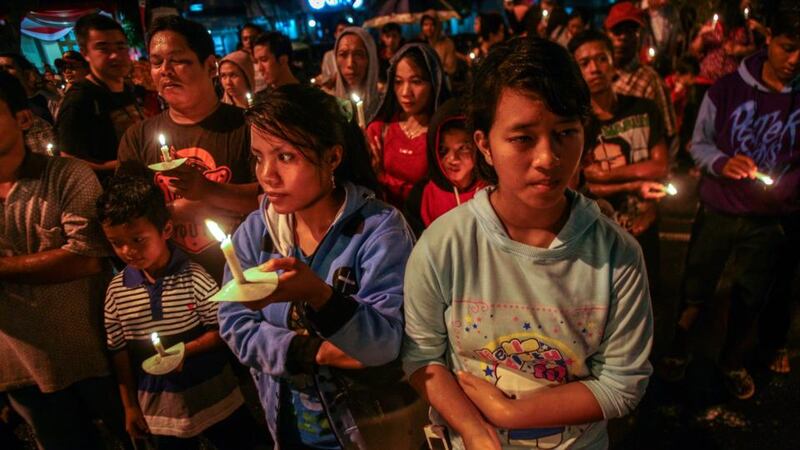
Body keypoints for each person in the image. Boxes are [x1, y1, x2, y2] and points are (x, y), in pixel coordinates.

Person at [403, 37, 653, 450]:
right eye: (522, 138)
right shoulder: (444, 245)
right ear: (484, 144)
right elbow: (422, 357)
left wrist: (509, 414)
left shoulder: (618, 256)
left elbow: (622, 383)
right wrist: (474, 429)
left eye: (564, 133)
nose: (547, 158)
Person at [218, 84, 424, 449]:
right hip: (288, 423)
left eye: (285, 157)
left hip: (367, 428)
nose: (267, 175)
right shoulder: (256, 232)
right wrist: (308, 351)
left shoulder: (377, 230)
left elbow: (384, 344)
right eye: (258, 156)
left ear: (332, 157)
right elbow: (233, 323)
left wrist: (320, 296)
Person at [660, 10, 800, 400]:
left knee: (752, 294)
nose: (795, 60)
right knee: (697, 285)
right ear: (769, 37)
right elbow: (700, 144)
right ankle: (679, 348)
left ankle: (731, 360)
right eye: (788, 48)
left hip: (772, 218)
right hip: (720, 207)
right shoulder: (725, 91)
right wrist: (722, 161)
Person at [0, 71, 130, 450]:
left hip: (92, 354)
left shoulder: (65, 175)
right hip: (19, 367)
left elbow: (86, 257)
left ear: (23, 118)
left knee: (134, 436)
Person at [98, 173, 262, 449]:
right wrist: (129, 406)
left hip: (214, 396)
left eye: (138, 239)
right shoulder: (116, 291)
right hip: (161, 409)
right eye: (117, 243)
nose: (127, 251)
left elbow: (221, 329)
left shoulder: (193, 276)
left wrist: (186, 351)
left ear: (166, 230)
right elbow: (119, 352)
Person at [117, 15, 259, 281]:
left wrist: (208, 190)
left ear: (210, 66)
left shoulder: (247, 127)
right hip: (173, 286)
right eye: (157, 62)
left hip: (245, 274)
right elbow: (126, 212)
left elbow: (270, 198)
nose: (165, 70)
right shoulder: (137, 138)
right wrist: (176, 210)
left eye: (179, 60)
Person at [570, 29, 669, 297]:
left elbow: (660, 167)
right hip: (599, 231)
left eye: (601, 58)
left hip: (644, 223)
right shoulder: (577, 124)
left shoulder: (644, 109)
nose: (594, 69)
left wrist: (605, 175)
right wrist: (637, 182)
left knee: (648, 298)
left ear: (613, 61)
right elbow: (585, 181)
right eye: (584, 63)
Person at [56, 13, 143, 178]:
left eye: (120, 46)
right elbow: (69, 161)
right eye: (103, 48)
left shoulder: (125, 88)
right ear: (85, 53)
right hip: (112, 195)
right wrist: (123, 164)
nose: (115, 55)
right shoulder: (79, 99)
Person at [366, 43, 451, 208]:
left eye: (416, 81)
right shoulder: (379, 131)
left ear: (434, 83)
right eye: (398, 82)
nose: (405, 92)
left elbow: (440, 195)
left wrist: (381, 176)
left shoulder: (443, 136)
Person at [404, 98, 486, 235]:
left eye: (463, 148)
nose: (452, 159)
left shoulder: (494, 191)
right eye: (443, 149)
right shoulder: (421, 197)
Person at [605, 2, 677, 152]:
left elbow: (668, 135)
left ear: (640, 36)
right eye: (617, 31)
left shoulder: (650, 81)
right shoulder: (594, 76)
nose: (623, 37)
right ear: (607, 34)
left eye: (630, 31)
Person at [689, 0, 757, 83]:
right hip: (708, 78)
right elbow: (694, 50)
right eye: (744, 3)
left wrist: (741, 50)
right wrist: (701, 35)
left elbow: (754, 49)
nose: (747, 6)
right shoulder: (713, 25)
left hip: (731, 79)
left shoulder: (745, 26)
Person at [330, 26, 380, 120]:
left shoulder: (386, 107)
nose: (350, 64)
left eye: (358, 55)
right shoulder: (330, 109)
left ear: (370, 58)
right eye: (343, 54)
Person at [0, 52, 55, 124]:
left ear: (25, 73)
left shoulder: (47, 99)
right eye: (0, 68)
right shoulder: (4, 106)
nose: (3, 71)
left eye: (9, 67)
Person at [420, 13, 457, 77]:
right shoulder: (421, 43)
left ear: (437, 25)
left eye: (432, 24)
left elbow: (451, 69)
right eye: (425, 24)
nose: (429, 28)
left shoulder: (447, 43)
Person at [317, 19, 350, 89]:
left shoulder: (355, 54)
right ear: (335, 34)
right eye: (341, 30)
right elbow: (326, 84)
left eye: (347, 31)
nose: (344, 33)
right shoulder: (328, 56)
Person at [238, 23, 266, 92]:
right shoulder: (239, 62)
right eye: (245, 39)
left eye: (253, 38)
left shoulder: (269, 60)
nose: (249, 42)